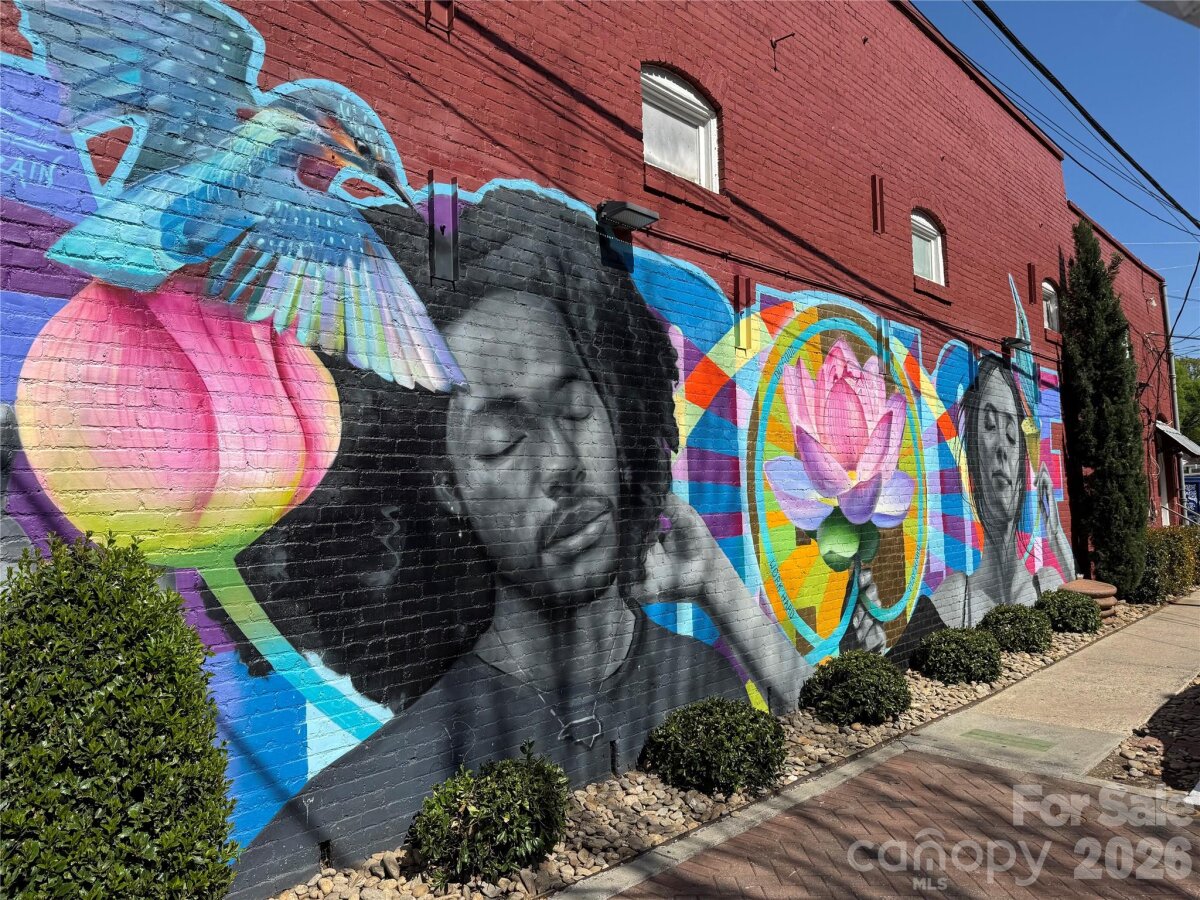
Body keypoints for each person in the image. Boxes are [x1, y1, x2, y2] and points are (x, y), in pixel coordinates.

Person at [233, 188, 806, 890]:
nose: (562, 464)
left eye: (575, 409)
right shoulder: (362, 802)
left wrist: (716, 583)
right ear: (449, 488)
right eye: (503, 442)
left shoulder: (703, 683)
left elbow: (817, 730)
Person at [850, 354, 1073, 663]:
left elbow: (1083, 602)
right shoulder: (954, 598)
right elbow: (893, 660)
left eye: (1012, 435)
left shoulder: (1045, 582)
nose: (1001, 449)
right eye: (990, 426)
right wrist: (869, 650)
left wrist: (1056, 531)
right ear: (972, 459)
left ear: (1023, 465)